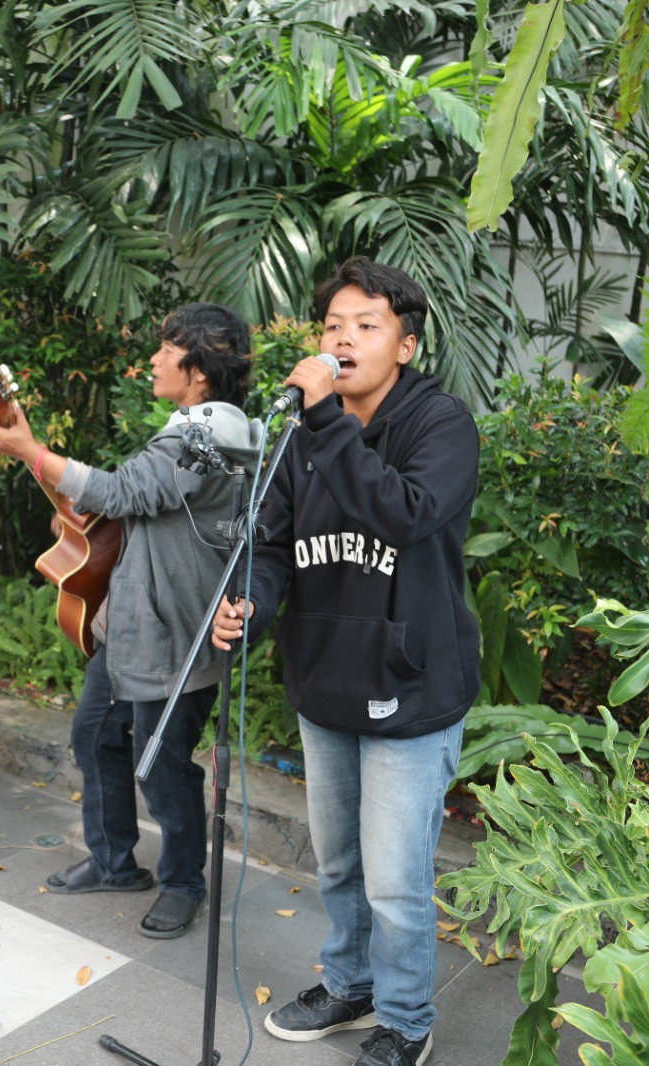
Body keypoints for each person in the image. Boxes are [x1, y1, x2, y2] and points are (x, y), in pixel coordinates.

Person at [210, 258, 480, 1066]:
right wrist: (250, 604)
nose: (345, 339)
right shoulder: (301, 437)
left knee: (396, 879)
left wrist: (326, 422)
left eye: (367, 325)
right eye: (333, 326)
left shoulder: (441, 425)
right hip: (325, 683)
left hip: (411, 688)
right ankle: (351, 983)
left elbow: (405, 514)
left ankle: (404, 1019)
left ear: (405, 344)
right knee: (340, 864)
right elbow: (271, 545)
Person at [0, 303, 257, 939]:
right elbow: (130, 503)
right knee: (95, 738)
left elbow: (126, 491)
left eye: (167, 350)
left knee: (163, 767)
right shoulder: (189, 427)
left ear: (200, 371)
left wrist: (31, 449)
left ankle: (184, 883)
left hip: (177, 637)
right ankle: (113, 861)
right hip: (131, 624)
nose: (154, 360)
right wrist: (55, 481)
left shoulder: (209, 436)